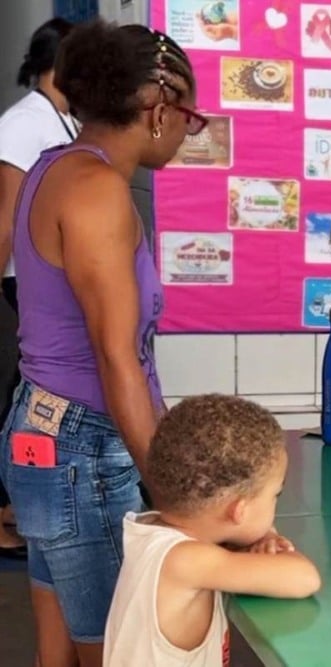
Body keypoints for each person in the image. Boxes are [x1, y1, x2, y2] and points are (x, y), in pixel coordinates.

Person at [0, 19, 208, 667]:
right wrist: (174, 497)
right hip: (79, 450)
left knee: (59, 650)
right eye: (190, 118)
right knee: (118, 649)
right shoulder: (97, 191)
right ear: (158, 109)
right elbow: (118, 358)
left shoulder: (53, 167)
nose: (187, 133)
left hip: (43, 433)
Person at [104, 394, 321, 667]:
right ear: (239, 511)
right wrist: (270, 539)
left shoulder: (155, 531)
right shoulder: (186, 560)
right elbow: (304, 578)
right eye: (275, 495)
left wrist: (264, 535)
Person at [0, 16, 76, 561]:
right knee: (19, 394)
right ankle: (3, 509)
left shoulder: (64, 117)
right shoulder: (24, 122)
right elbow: (7, 213)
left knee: (29, 391)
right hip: (21, 278)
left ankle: (15, 506)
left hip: (47, 279)